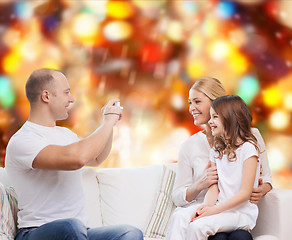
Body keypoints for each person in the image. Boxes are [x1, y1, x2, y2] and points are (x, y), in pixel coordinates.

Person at [5, 69, 144, 240]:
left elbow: (96, 157)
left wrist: (110, 124)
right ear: (46, 96)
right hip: (36, 232)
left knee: (130, 233)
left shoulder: (65, 134)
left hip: (79, 233)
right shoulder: (23, 141)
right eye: (66, 92)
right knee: (71, 226)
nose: (71, 99)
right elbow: (77, 159)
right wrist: (107, 123)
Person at [165, 77, 272, 240]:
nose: (191, 108)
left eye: (197, 102)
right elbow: (178, 196)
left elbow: (266, 178)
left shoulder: (251, 139)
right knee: (192, 224)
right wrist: (200, 185)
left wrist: (259, 190)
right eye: (189, 103)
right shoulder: (196, 147)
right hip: (209, 209)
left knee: (240, 237)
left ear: (218, 103)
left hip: (235, 211)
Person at [188, 95, 260, 239]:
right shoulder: (216, 150)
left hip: (240, 214)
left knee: (197, 227)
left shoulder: (248, 149)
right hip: (220, 211)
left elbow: (245, 193)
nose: (210, 122)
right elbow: (214, 188)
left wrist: (213, 211)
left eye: (215, 117)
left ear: (229, 119)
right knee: (190, 220)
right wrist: (205, 207)